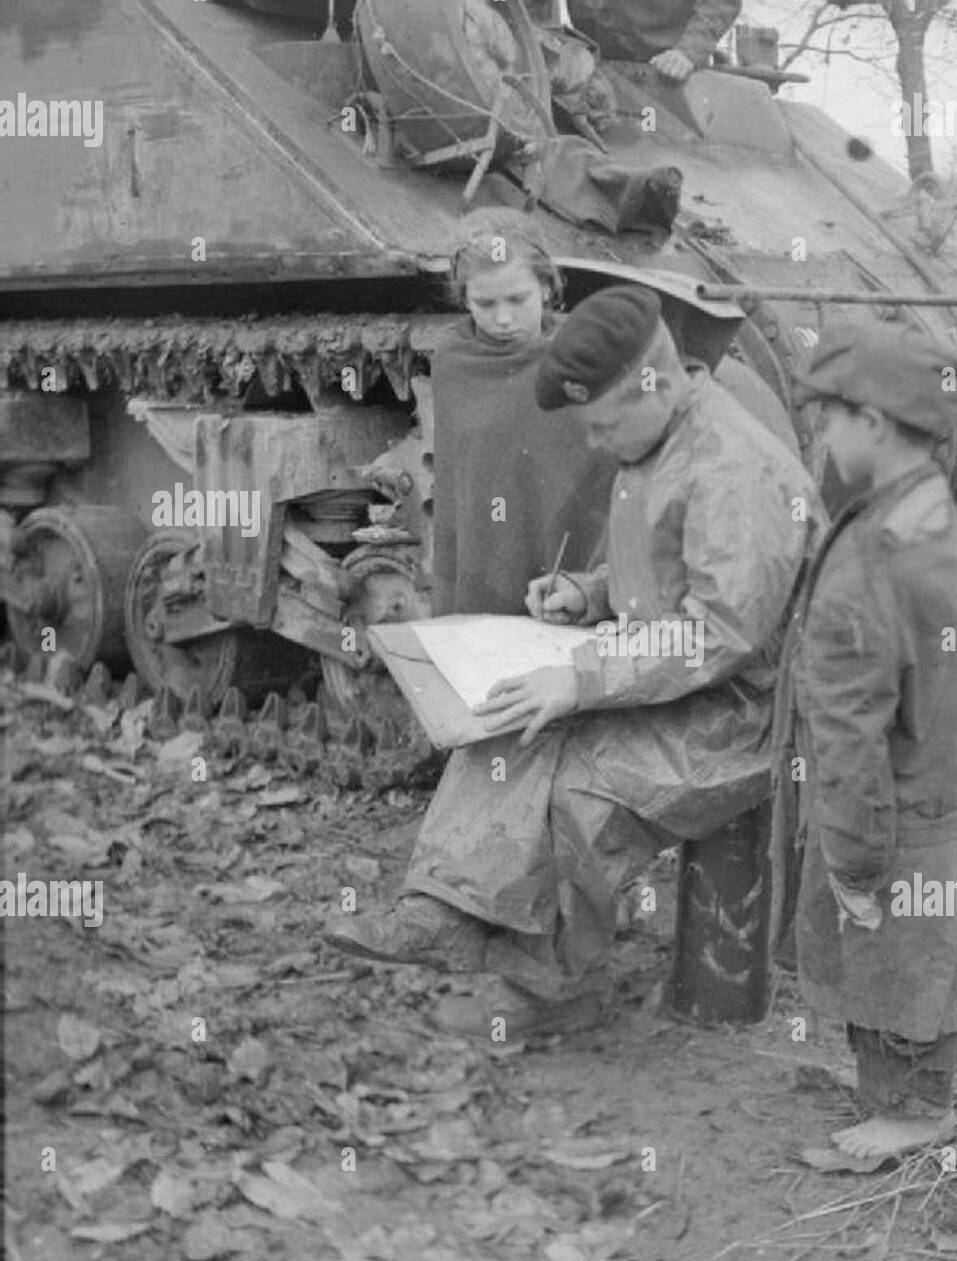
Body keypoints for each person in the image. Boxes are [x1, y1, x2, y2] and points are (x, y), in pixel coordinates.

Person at [334, 283, 822, 1038]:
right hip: (671, 677)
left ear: (653, 385)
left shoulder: (735, 469)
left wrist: (582, 678)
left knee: (583, 794)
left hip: (749, 710)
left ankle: (551, 986)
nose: (594, 445)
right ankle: (449, 909)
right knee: (504, 712)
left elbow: (719, 632)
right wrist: (588, 595)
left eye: (599, 427)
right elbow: (669, 573)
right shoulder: (660, 433)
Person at [325, 206, 613, 969]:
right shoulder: (458, 362)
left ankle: (471, 907)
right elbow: (460, 491)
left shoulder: (587, 359)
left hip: (579, 583)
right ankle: (465, 904)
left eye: (519, 299)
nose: (503, 317)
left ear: (549, 287)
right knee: (495, 717)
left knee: (543, 730)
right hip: (485, 578)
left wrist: (593, 583)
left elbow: (607, 476)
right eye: (484, 303)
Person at [771, 318, 957, 1162]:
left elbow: (852, 732)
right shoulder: (930, 504)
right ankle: (907, 1098)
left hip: (889, 807)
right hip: (940, 784)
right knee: (923, 953)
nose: (822, 433)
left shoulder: (872, 555)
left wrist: (853, 858)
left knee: (893, 956)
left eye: (830, 416)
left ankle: (908, 1113)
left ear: (874, 424)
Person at [566, 0, 741, 81]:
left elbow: (721, 3)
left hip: (666, 71)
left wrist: (688, 51)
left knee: (650, 135)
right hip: (593, 67)